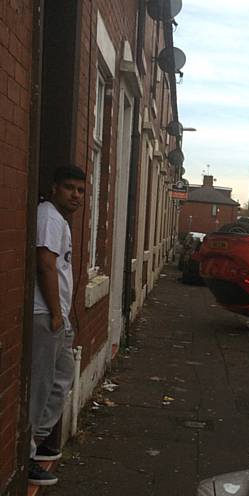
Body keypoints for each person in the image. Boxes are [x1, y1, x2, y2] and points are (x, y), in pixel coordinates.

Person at [29, 166, 86, 486]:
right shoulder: (49, 217)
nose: (76, 195)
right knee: (41, 385)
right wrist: (54, 313)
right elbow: (45, 263)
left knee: (61, 378)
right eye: (69, 188)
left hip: (57, 316)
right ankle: (24, 455)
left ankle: (33, 444)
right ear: (54, 188)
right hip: (45, 314)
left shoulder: (58, 220)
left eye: (80, 190)